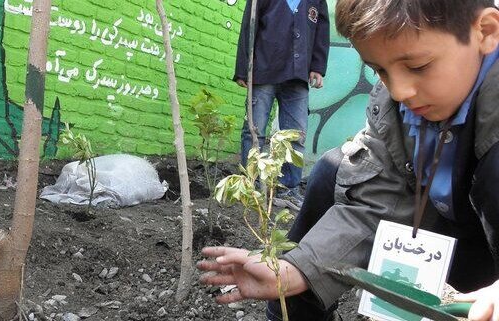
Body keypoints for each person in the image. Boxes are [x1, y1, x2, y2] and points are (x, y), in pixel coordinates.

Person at [199, 1, 499, 321]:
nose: (398, 90)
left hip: (486, 249)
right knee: (333, 171)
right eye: (379, 70)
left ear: (485, 31)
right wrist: (297, 269)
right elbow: (378, 198)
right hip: (442, 231)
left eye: (418, 66)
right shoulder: (395, 104)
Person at [234, 0, 330, 210]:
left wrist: (317, 66)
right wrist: (243, 68)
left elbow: (322, 31)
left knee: (295, 137)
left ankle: (288, 188)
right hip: (263, 70)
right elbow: (248, 27)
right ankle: (250, 187)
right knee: (254, 132)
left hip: (298, 75)